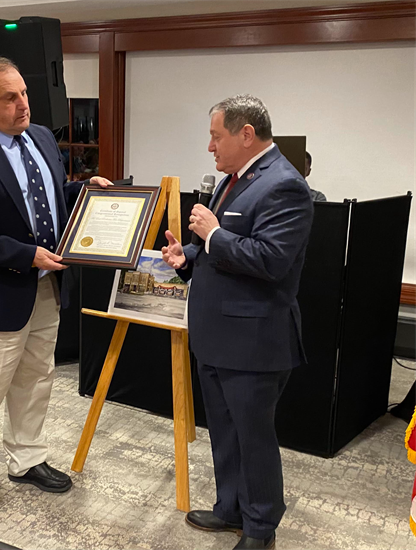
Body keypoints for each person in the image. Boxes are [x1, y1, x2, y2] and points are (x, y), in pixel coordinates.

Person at [0, 56, 112, 515]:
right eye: (9, 98)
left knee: (36, 380)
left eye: (24, 94)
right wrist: (24, 255)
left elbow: (48, 196)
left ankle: (26, 458)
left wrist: (83, 189)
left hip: (46, 287)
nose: (22, 105)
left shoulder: (39, 138)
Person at [162, 94, 314, 550]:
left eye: (216, 135)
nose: (210, 146)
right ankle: (230, 507)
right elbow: (221, 251)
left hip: (254, 342)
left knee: (254, 439)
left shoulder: (285, 185)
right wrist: (185, 256)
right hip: (217, 335)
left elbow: (271, 260)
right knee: (225, 431)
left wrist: (211, 234)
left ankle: (260, 529)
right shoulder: (235, 178)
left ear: (246, 134)